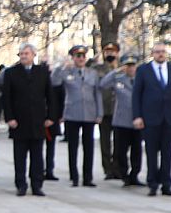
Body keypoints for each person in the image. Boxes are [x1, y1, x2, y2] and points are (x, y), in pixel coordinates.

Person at [132, 42, 171, 196]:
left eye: (163, 52)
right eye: (157, 52)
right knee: (151, 153)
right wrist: (137, 116)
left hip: (170, 119)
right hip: (150, 118)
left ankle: (166, 184)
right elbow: (136, 95)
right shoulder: (144, 70)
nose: (160, 54)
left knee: (167, 153)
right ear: (153, 53)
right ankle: (152, 183)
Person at [1, 43, 55, 196]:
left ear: (33, 55)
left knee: (37, 156)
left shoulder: (42, 72)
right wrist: (9, 117)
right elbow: (6, 98)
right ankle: (21, 185)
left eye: (26, 53)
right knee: (20, 156)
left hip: (38, 121)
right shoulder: (11, 73)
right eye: (21, 54)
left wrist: (51, 116)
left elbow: (50, 96)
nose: (23, 56)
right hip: (19, 122)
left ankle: (37, 185)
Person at [52, 44, 102, 187]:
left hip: (89, 113)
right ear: (73, 58)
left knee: (89, 147)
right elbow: (54, 81)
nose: (81, 58)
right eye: (77, 56)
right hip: (72, 113)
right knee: (72, 147)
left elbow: (97, 93)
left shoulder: (92, 73)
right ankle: (74, 176)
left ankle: (88, 177)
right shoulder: (67, 71)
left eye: (83, 56)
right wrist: (60, 67)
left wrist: (99, 113)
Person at [101, 53, 143, 186]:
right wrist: (116, 71)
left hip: (137, 121)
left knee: (137, 151)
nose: (130, 68)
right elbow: (103, 84)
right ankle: (124, 175)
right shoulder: (118, 78)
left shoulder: (141, 80)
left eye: (133, 65)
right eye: (128, 65)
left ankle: (135, 175)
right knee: (121, 151)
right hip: (121, 121)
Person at [91, 41, 122, 180]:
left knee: (119, 141)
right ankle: (107, 169)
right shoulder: (98, 68)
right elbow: (86, 68)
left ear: (117, 53)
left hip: (119, 110)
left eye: (112, 52)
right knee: (105, 142)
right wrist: (93, 58)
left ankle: (117, 167)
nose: (110, 54)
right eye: (107, 52)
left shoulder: (123, 67)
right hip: (104, 109)